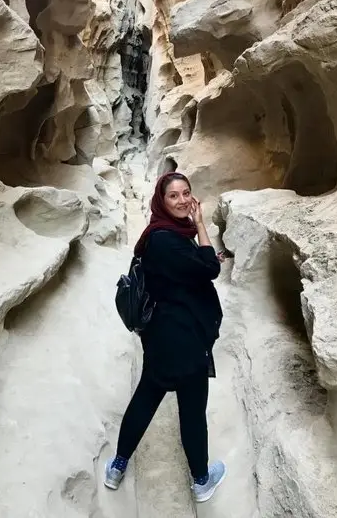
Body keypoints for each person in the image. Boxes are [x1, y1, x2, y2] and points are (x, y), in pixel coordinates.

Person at [104, 171, 226, 503]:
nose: (183, 200)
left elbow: (189, 268)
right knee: (192, 411)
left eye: (187, 193)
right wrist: (200, 225)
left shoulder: (160, 233)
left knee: (145, 399)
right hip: (185, 338)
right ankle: (201, 482)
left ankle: (117, 467)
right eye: (174, 195)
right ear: (161, 200)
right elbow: (210, 270)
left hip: (160, 337)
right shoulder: (167, 239)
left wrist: (199, 256)